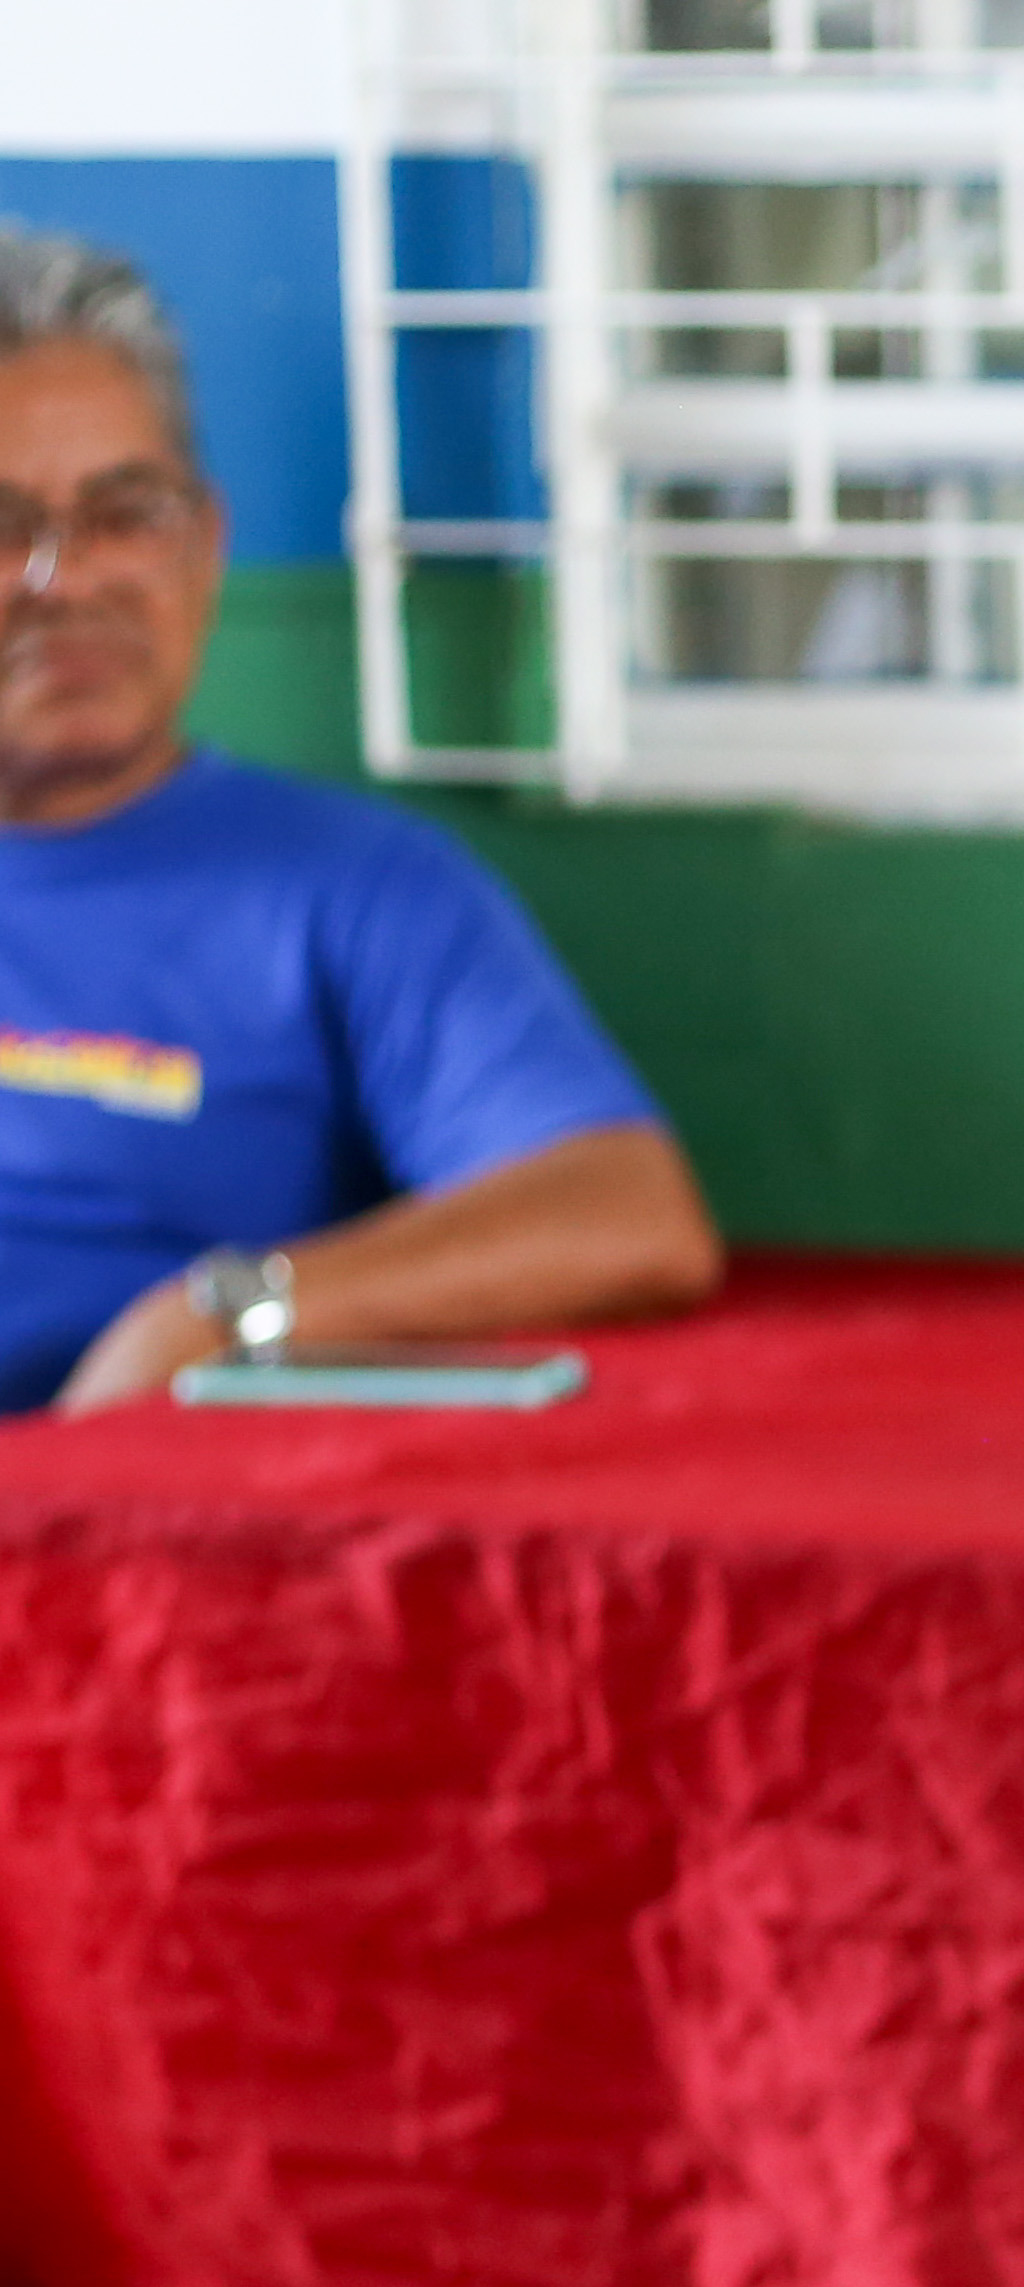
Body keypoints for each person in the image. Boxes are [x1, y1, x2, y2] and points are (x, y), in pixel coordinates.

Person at [0, 225, 714, 1414]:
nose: (67, 580)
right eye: (5, 524)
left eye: (125, 513)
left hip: (109, 1539)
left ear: (207, 545)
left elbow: (620, 1209)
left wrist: (223, 1313)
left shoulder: (356, 889)